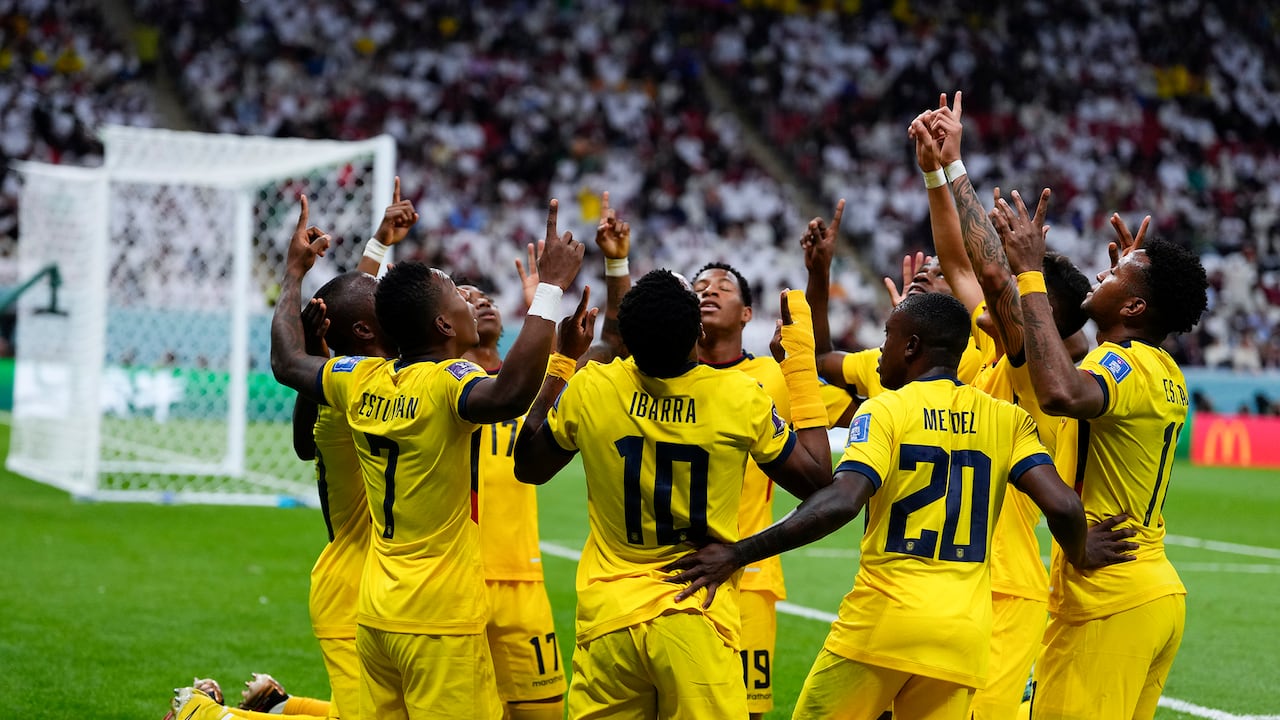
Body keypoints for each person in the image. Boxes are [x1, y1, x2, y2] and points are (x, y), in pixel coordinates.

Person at [665, 292, 1123, 720]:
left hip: (883, 624)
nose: (881, 348)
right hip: (963, 638)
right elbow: (1063, 505)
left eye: (888, 336)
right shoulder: (1007, 418)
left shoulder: (884, 411)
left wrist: (739, 553)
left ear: (912, 346)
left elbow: (841, 502)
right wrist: (1080, 553)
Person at [269, 194, 585, 720]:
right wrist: (550, 291)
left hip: (376, 610)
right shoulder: (447, 384)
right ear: (442, 327)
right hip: (439, 616)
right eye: (457, 300)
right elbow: (508, 395)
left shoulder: (355, 378)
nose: (467, 300)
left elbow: (286, 360)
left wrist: (293, 273)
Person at [512, 270, 835, 719]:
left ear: (627, 336)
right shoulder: (739, 397)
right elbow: (821, 480)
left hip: (609, 619)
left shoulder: (593, 386)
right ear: (698, 332)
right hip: (695, 613)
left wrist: (563, 362)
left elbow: (528, 465)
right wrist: (800, 362)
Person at [919, 95, 1127, 719]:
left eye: (1016, 283)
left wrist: (956, 168)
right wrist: (934, 174)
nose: (999, 286)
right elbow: (960, 261)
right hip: (949, 578)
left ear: (1044, 315)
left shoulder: (1038, 375)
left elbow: (983, 269)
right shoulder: (994, 345)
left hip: (1004, 589)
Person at [992, 187, 1210, 720]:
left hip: (1107, 599)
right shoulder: (1159, 367)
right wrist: (1127, 286)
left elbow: (1060, 392)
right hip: (1150, 593)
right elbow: (1082, 371)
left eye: (1114, 277)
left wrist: (1028, 274)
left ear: (1135, 307)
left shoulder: (1125, 365)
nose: (1100, 275)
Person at [690, 255, 853, 719]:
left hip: (752, 575)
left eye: (723, 285)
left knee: (748, 709)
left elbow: (846, 407)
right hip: (675, 570)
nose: (710, 290)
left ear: (747, 314)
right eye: (701, 285)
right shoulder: (668, 377)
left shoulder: (773, 377)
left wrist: (818, 278)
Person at [458, 277, 568, 720]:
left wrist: (543, 306)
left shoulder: (524, 385)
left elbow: (559, 370)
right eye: (463, 297)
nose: (481, 300)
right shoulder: (437, 385)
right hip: (457, 581)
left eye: (484, 296)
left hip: (523, 579)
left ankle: (284, 706)